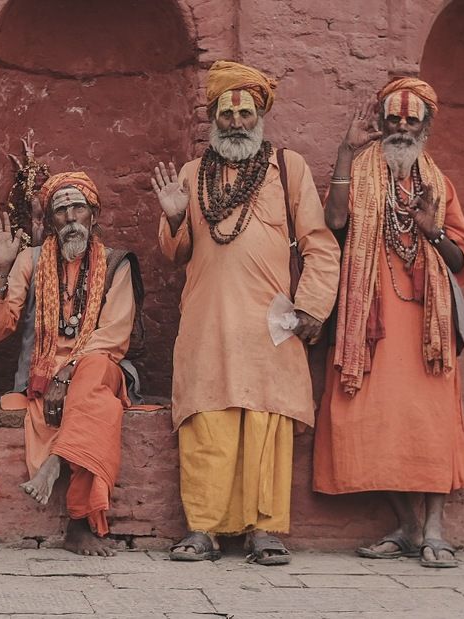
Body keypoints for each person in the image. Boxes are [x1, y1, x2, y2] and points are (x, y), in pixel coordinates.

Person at [153, 61, 340, 565]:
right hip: (208, 321)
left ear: (260, 115)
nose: (236, 121)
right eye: (227, 112)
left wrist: (312, 307)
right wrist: (174, 218)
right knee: (207, 420)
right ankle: (203, 530)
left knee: (265, 423)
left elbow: (320, 245)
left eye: (246, 112)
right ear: (213, 117)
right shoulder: (194, 174)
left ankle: (266, 530)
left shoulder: (287, 167)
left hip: (269, 322)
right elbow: (176, 254)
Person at [313, 78, 464, 568]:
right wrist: (345, 152)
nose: (402, 128)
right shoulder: (360, 169)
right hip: (369, 321)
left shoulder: (438, 183)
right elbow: (336, 222)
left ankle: (434, 530)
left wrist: (434, 232)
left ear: (425, 127)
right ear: (381, 123)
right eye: (394, 120)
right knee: (367, 418)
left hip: (427, 325)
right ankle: (407, 527)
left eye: (412, 121)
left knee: (430, 422)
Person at [0, 172, 140, 556]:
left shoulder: (117, 264)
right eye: (61, 211)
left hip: (98, 368)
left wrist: (69, 372)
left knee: (95, 372)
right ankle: (79, 524)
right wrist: (1, 272)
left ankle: (56, 465)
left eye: (78, 209)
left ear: (93, 216)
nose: (70, 218)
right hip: (41, 376)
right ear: (51, 221)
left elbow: (116, 335)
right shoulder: (29, 261)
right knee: (96, 404)